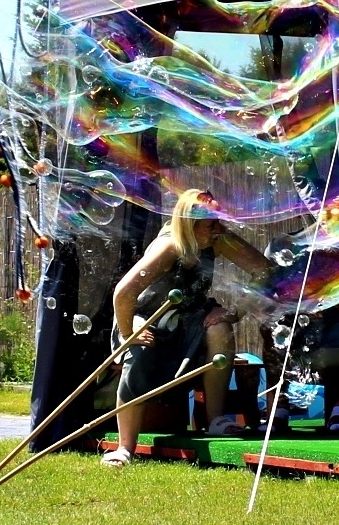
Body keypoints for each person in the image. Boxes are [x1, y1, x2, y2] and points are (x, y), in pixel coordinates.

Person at [104, 189, 271, 464]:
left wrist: (233, 313)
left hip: (190, 318)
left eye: (219, 221)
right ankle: (125, 448)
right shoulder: (168, 247)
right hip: (145, 318)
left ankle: (215, 420)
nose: (218, 229)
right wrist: (127, 335)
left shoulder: (217, 239)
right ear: (189, 224)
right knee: (140, 352)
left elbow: (264, 269)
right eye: (211, 224)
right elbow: (123, 293)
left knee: (219, 329)